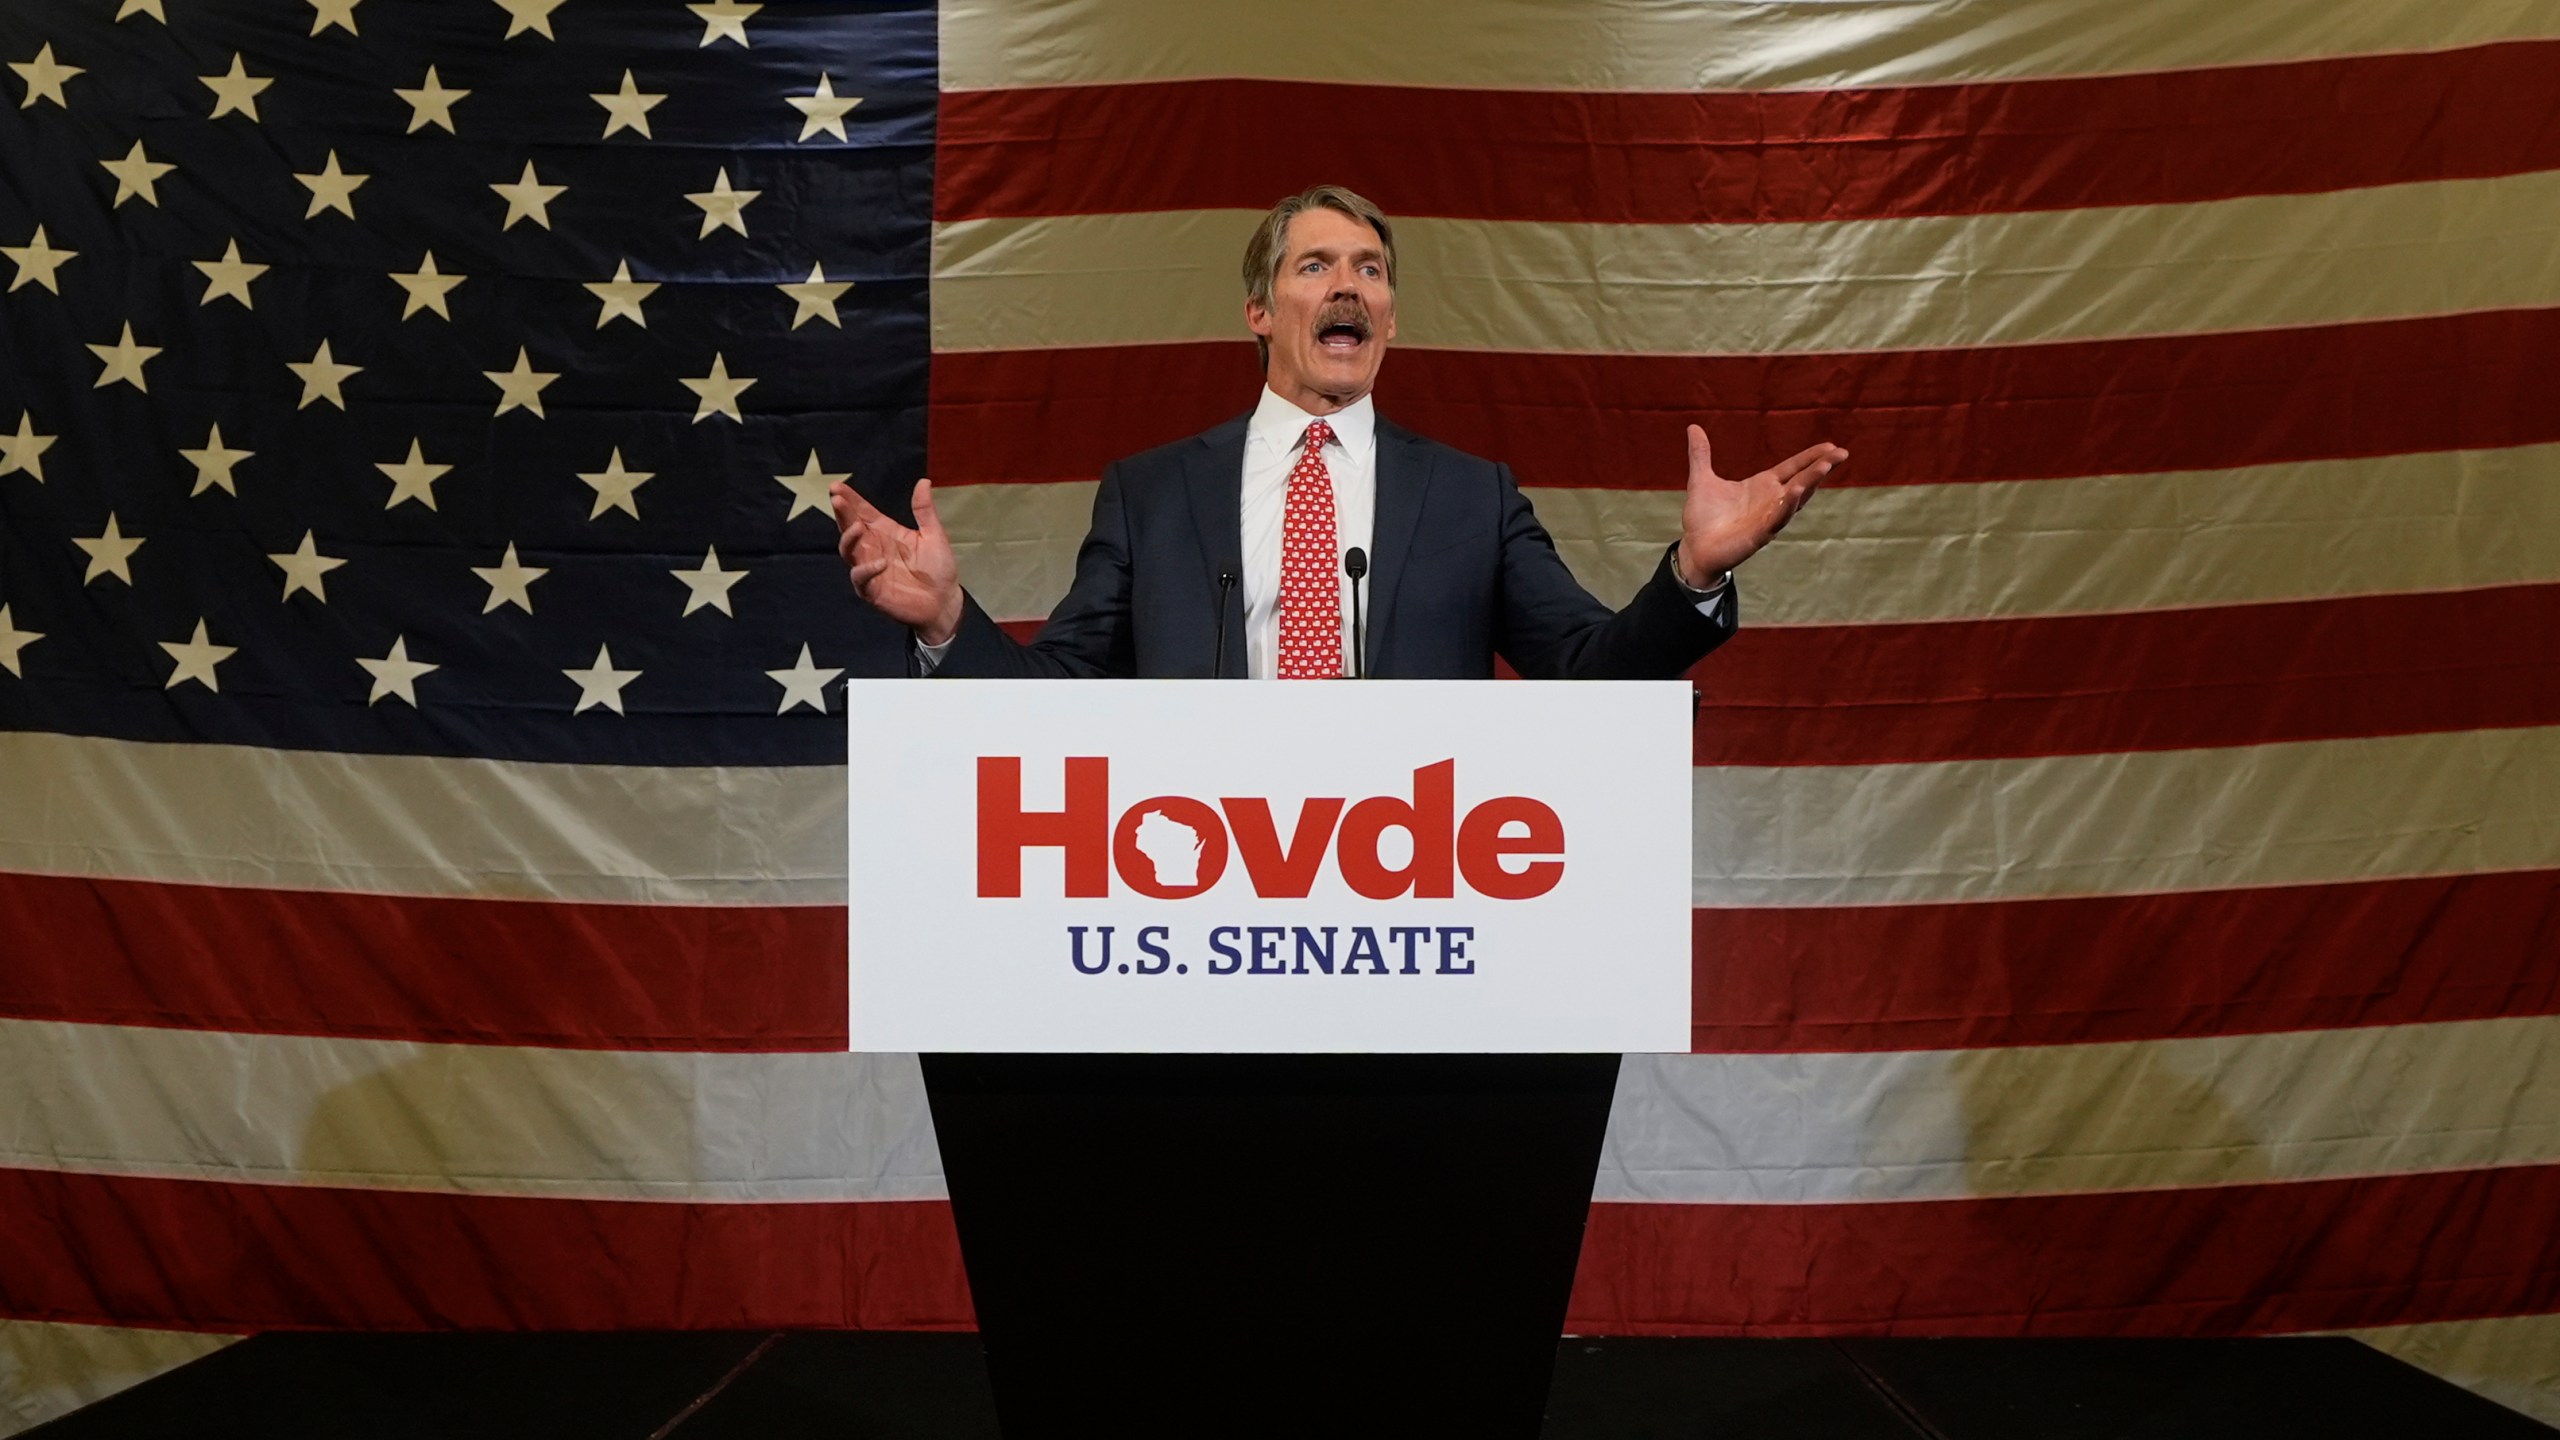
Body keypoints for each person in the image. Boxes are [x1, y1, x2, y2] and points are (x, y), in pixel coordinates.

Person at [830, 183, 1844, 676]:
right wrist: (948, 621)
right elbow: (1057, 698)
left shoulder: (1469, 496)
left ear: (1390, 320)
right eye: (1314, 266)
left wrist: (1692, 578)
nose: (1347, 284)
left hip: (1412, 893)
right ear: (1260, 313)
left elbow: (1587, 668)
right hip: (1196, 899)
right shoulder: (1152, 492)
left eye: (1370, 269)